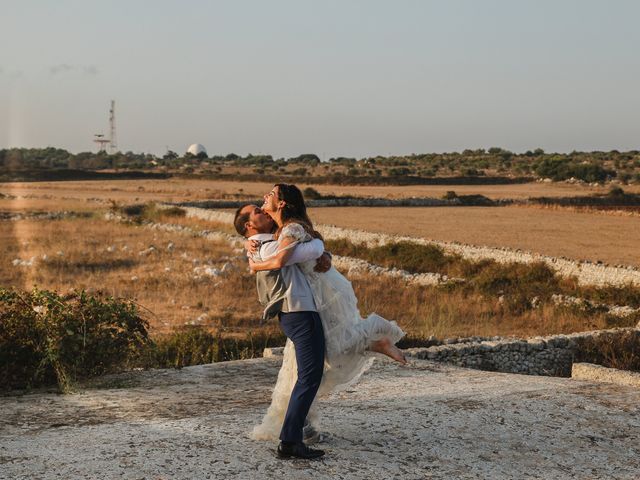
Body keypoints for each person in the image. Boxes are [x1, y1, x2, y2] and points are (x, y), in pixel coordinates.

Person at [241, 184, 406, 444]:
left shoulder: (288, 231)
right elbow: (302, 251)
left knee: (320, 356)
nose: (264, 200)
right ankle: (302, 428)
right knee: (308, 363)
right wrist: (318, 248)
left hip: (319, 292)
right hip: (310, 296)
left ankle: (298, 431)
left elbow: (290, 257)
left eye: (270, 195)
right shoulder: (273, 236)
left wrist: (254, 265)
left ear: (282, 204)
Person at [233, 203, 327, 460]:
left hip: (297, 312)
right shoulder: (269, 245)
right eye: (257, 212)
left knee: (308, 377)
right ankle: (290, 441)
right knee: (309, 377)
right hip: (299, 311)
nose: (264, 212)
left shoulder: (264, 243)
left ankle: (293, 436)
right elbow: (315, 249)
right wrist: (320, 247)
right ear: (249, 226)